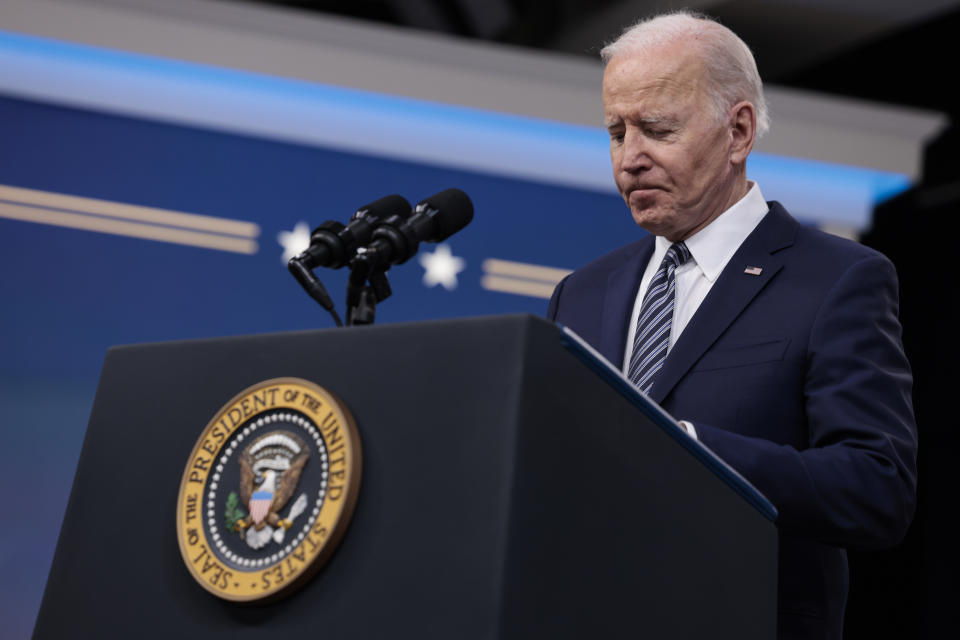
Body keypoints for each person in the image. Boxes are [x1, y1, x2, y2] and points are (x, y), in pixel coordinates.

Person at [547, 11, 917, 640]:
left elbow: (875, 488)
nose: (630, 158)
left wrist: (692, 449)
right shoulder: (579, 294)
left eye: (657, 129)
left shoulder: (836, 280)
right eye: (615, 132)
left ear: (738, 131)